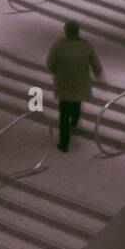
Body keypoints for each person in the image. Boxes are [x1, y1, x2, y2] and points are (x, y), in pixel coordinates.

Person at [46, 21, 103, 153]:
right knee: (77, 104)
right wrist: (99, 77)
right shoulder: (86, 46)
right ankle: (74, 123)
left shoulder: (58, 46)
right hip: (81, 84)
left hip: (64, 84)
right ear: (78, 31)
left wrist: (58, 72)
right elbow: (96, 65)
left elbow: (50, 64)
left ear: (66, 31)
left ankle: (64, 143)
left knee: (64, 115)